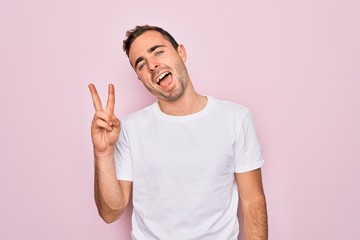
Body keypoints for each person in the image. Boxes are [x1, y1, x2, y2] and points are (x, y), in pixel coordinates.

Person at [89, 25, 268, 240]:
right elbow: (111, 212)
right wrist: (103, 154)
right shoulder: (129, 129)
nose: (153, 65)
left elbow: (252, 201)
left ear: (181, 52)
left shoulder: (236, 118)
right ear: (140, 78)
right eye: (142, 64)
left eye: (158, 52)